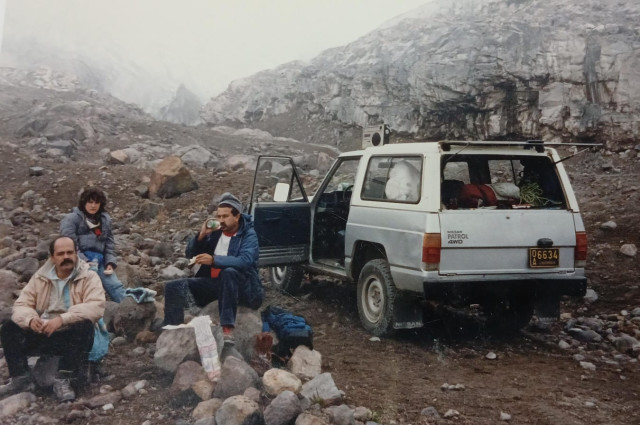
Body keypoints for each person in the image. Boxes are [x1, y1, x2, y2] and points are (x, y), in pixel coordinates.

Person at [0, 236, 105, 401]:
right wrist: (30, 320)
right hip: (45, 332)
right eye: (61, 253)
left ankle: (64, 379)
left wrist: (62, 320)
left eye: (70, 252)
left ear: (76, 254)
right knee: (9, 327)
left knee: (85, 325)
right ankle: (21, 379)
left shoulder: (89, 276)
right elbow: (21, 305)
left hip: (70, 335)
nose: (66, 257)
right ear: (52, 257)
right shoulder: (41, 277)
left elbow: (95, 306)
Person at [163, 193, 264, 342]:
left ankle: (227, 329)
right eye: (219, 216)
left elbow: (245, 261)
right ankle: (172, 331)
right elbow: (190, 254)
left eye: (225, 216)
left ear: (237, 217)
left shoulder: (248, 234)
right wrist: (201, 235)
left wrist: (214, 260)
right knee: (174, 286)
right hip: (216, 284)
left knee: (229, 272)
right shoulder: (216, 233)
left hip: (243, 288)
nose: (221, 220)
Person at [60, 187, 126, 302]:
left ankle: (130, 310)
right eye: (90, 202)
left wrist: (110, 262)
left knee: (116, 287)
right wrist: (84, 262)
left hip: (100, 261)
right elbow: (69, 246)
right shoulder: (71, 219)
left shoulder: (105, 220)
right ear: (84, 202)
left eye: (96, 202)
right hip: (79, 262)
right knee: (88, 292)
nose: (93, 206)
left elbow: (109, 244)